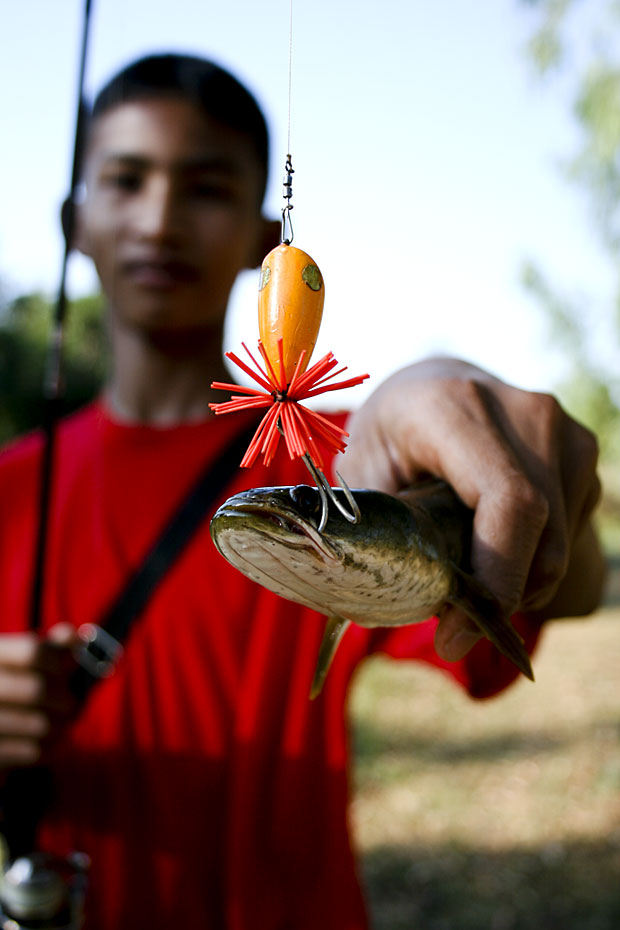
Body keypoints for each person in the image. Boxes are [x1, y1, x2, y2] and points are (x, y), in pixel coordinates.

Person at [0, 54, 604, 930]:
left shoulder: (352, 467)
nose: (161, 219)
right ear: (74, 220)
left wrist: (551, 494)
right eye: (126, 180)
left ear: (263, 237)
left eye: (205, 188)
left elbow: (572, 592)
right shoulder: (12, 492)